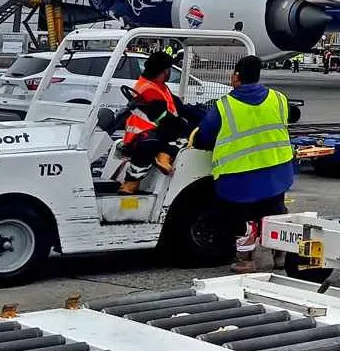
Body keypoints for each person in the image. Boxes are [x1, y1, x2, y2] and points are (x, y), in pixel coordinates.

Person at [191, 55, 296, 273]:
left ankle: (246, 260)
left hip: (240, 176)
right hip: (276, 170)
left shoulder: (224, 106)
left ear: (236, 77)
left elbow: (204, 136)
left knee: (242, 220)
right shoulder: (278, 99)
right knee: (275, 211)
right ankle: (280, 254)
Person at [119, 50, 182, 194]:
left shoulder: (153, 85)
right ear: (164, 71)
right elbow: (165, 119)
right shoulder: (150, 90)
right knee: (186, 135)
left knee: (181, 126)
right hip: (149, 133)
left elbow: (175, 105)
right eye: (169, 69)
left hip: (146, 131)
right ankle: (164, 155)